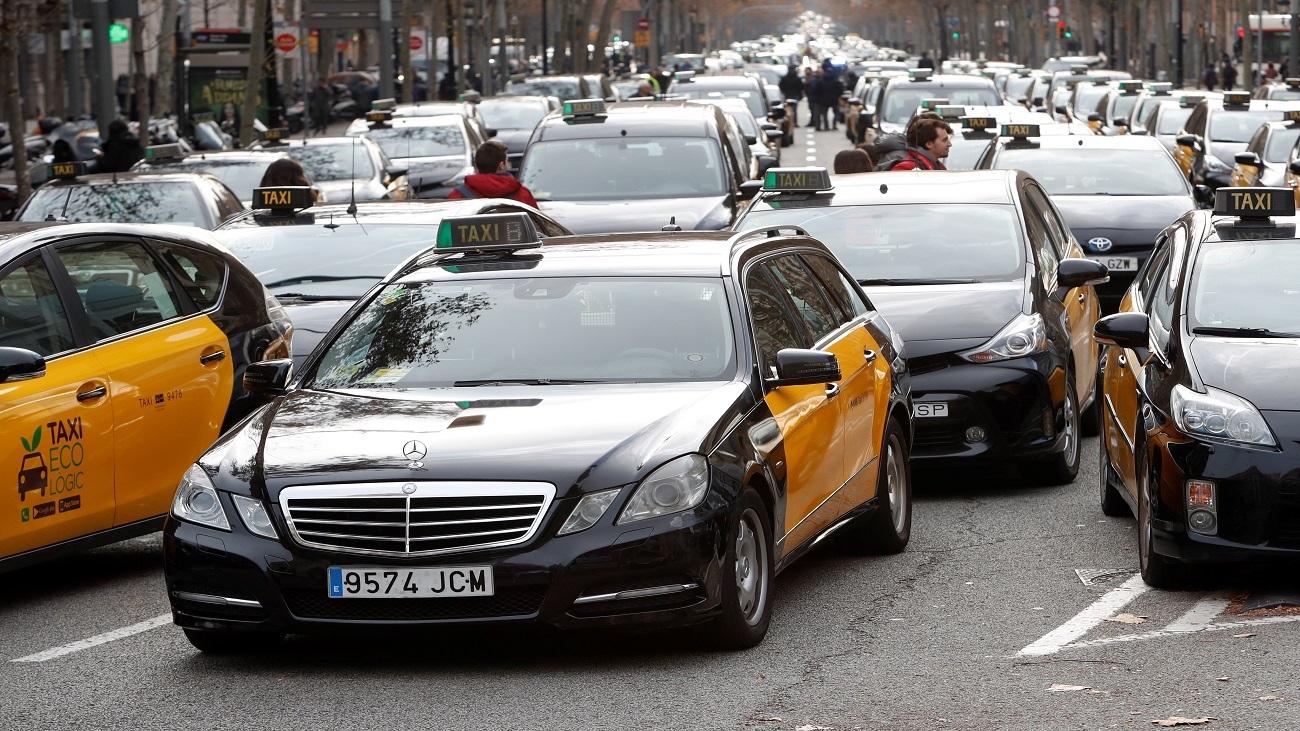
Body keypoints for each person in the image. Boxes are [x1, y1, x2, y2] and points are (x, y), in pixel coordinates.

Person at [447, 140, 538, 206]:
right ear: (501, 165)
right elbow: (537, 227)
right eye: (507, 160)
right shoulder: (523, 194)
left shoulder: (457, 196)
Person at [885, 114, 951, 171]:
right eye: (944, 140)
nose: (949, 144)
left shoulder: (938, 167)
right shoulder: (907, 169)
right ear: (929, 144)